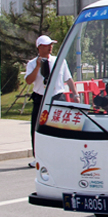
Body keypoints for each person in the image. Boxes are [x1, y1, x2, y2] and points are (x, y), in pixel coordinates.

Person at [25, 35, 76, 167]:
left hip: (57, 97)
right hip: (40, 98)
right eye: (47, 45)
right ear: (40, 47)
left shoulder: (59, 61)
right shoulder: (31, 63)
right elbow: (29, 81)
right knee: (37, 128)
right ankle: (38, 157)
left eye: (51, 45)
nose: (50, 48)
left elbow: (68, 79)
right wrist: (37, 66)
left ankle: (62, 155)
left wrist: (75, 94)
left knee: (60, 127)